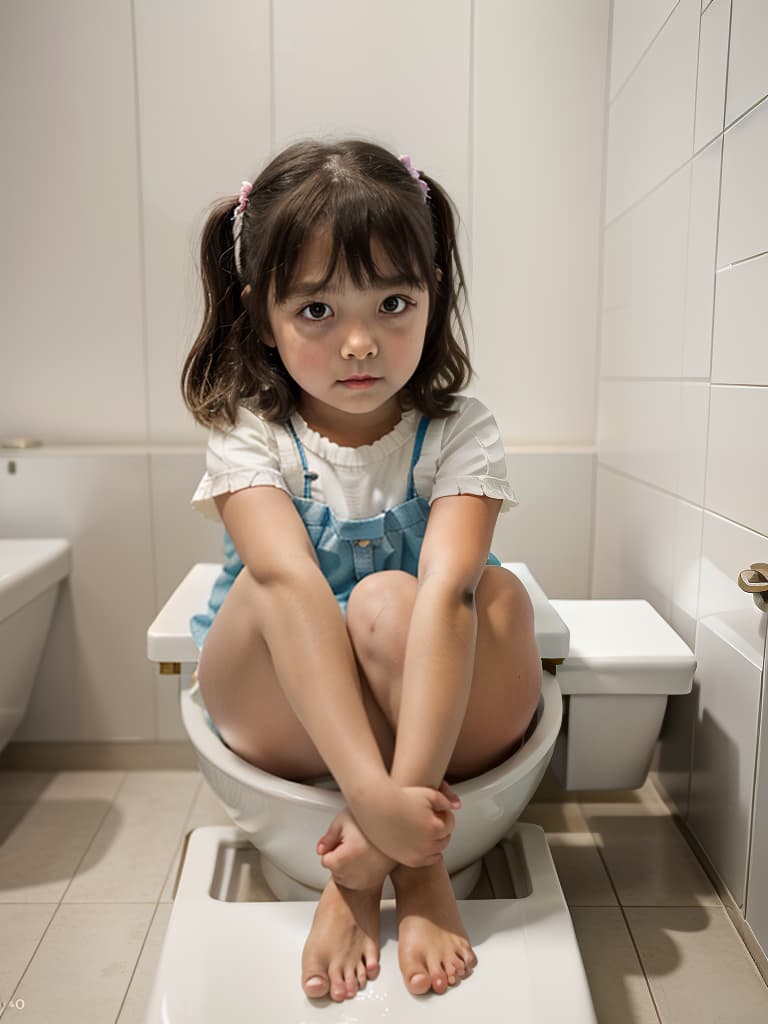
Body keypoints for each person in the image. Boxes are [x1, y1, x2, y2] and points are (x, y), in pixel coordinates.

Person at [182, 139, 542, 1003]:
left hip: (445, 707)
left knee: (402, 599)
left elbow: (451, 594)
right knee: (283, 587)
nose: (358, 343)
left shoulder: (459, 429)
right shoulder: (250, 432)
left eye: (392, 302)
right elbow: (285, 585)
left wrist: (391, 824)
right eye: (315, 310)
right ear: (257, 312)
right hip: (290, 710)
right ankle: (401, 830)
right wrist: (375, 799)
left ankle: (398, 868)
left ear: (433, 297)